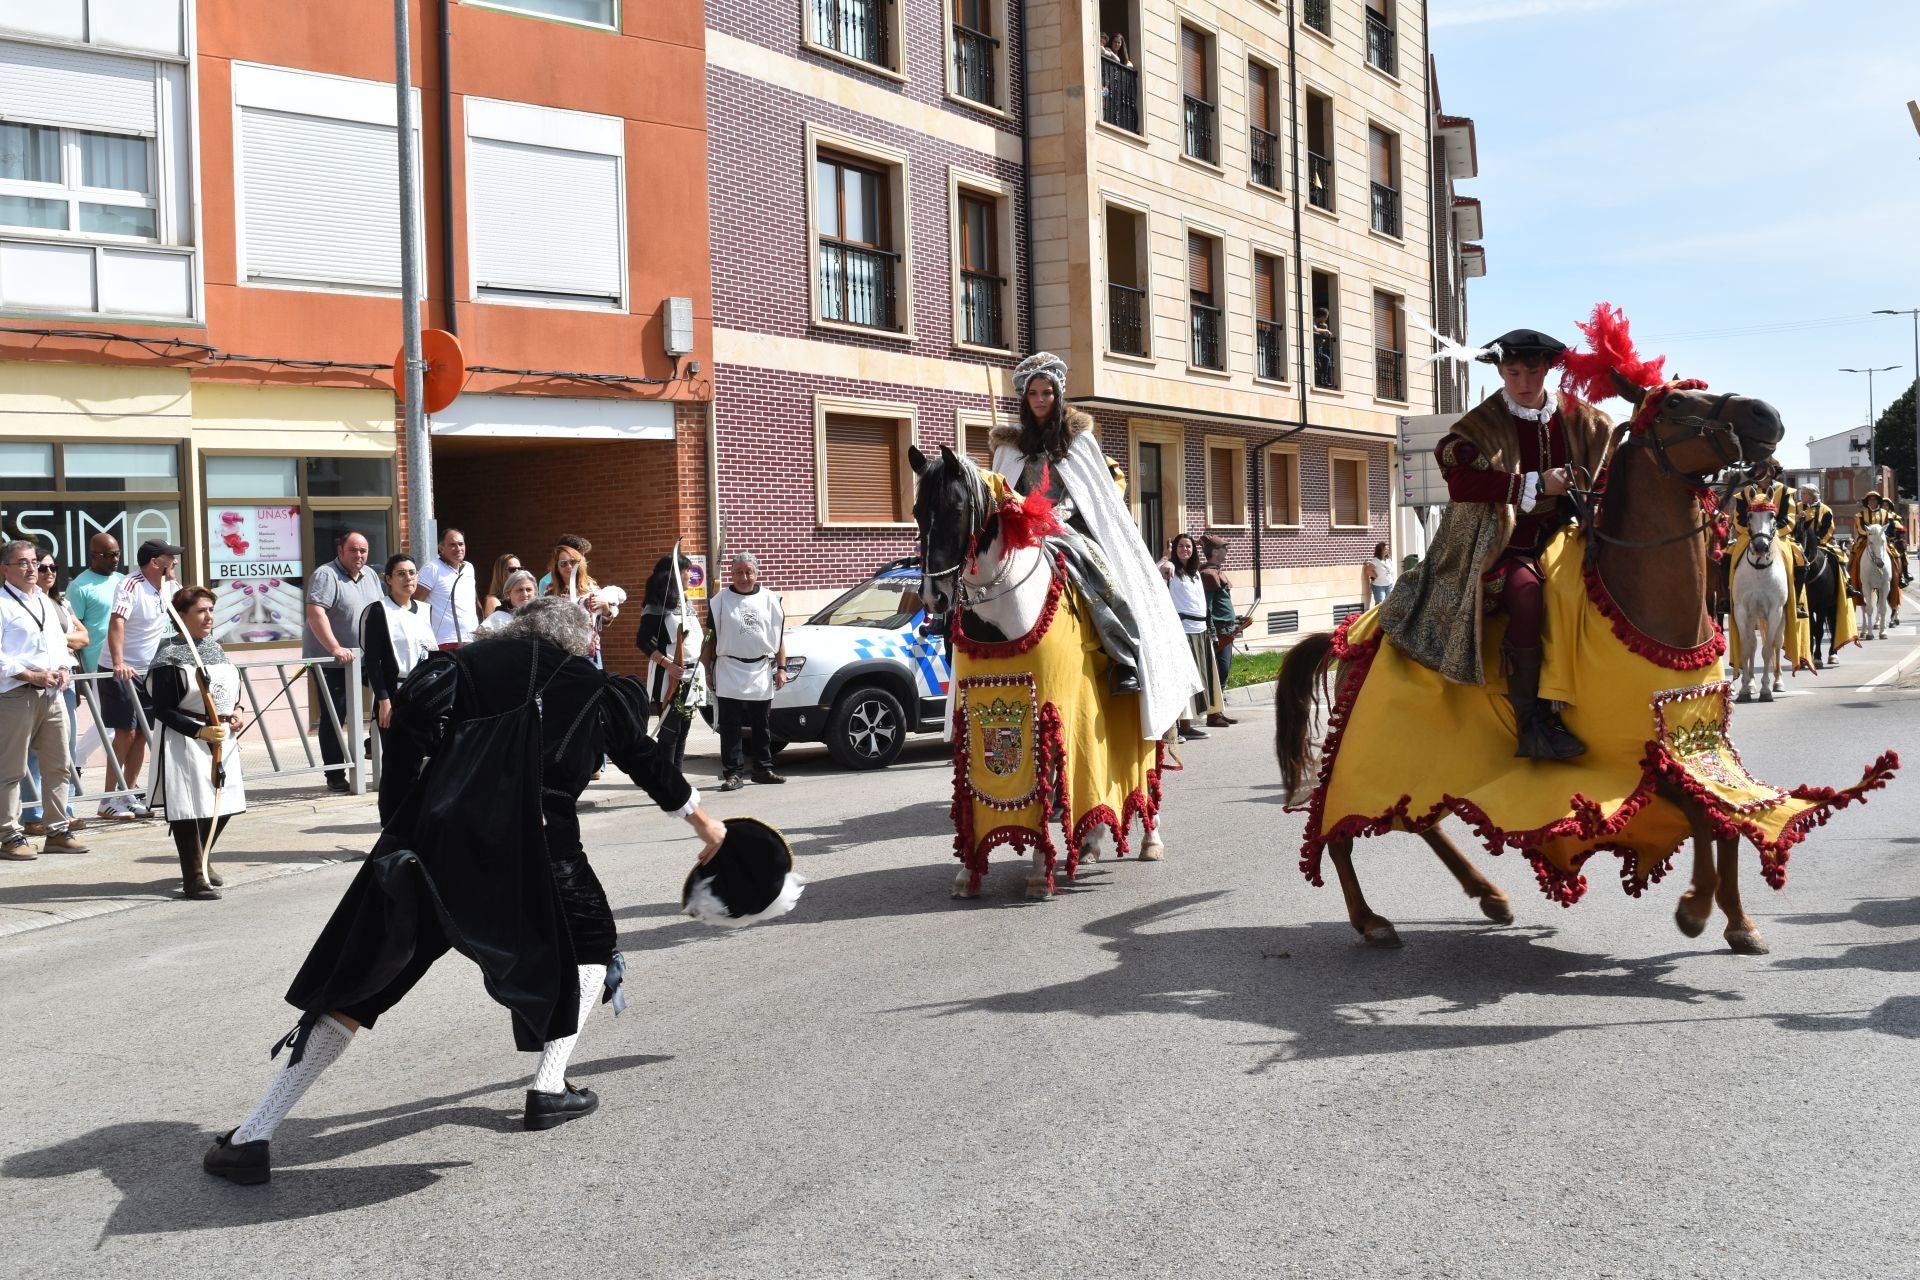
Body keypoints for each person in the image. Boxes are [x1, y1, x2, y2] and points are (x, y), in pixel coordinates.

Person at [202, 599, 729, 1185]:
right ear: (577, 640)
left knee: (366, 983)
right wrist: (705, 824)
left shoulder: (461, 665)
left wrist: (402, 820)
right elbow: (645, 759)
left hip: (438, 847)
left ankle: (253, 1135)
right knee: (591, 948)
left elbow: (403, 734)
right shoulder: (594, 685)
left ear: (525, 624)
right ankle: (548, 1086)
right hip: (543, 852)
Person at [1377, 328, 1614, 761]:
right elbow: (1462, 481)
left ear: (1549, 369)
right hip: (1504, 543)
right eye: (1514, 372)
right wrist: (1534, 483)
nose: (1524, 382)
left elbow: (1607, 468)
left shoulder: (1582, 419)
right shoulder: (1479, 426)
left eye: (1534, 371)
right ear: (1501, 371)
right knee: (1527, 595)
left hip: (1570, 535)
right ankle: (1533, 724)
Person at [988, 351, 1200, 740]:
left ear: (1058, 395)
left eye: (1047, 392)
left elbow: (1089, 494)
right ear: (1024, 398)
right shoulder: (1007, 449)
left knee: (1099, 573)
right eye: (1033, 393)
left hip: (1070, 526)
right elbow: (1003, 491)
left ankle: (1124, 658)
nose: (1040, 399)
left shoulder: (1078, 442)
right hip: (1021, 529)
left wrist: (1059, 516)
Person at [149, 587, 246, 900]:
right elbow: (161, 708)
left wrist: (237, 712)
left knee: (224, 804)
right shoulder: (168, 656)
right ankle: (193, 877)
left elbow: (232, 690)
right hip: (185, 739)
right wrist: (198, 731)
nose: (209, 617)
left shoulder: (215, 648)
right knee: (189, 809)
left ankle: (201, 860)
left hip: (221, 738)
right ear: (182, 617)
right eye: (201, 611)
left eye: (211, 610)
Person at [0, 541, 89, 861]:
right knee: (11, 769)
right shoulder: (2, 603)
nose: (31, 568)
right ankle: (9, 834)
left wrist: (64, 668)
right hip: (15, 694)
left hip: (52, 693)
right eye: (22, 563)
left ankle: (57, 830)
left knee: (59, 764)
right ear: (5, 569)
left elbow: (58, 645)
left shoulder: (46, 602)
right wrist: (29, 674)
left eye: (34, 562)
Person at [101, 539, 183, 818]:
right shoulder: (130, 584)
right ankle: (108, 798)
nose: (174, 560)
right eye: (170, 557)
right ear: (153, 561)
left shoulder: (165, 586)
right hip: (122, 670)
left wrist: (171, 578)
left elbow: (185, 605)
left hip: (148, 671)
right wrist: (118, 662)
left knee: (141, 736)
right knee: (126, 731)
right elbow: (117, 622)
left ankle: (129, 792)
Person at [358, 554, 438, 825]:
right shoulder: (379, 611)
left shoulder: (424, 610)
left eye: (412, 573)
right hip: (396, 696)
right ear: (389, 579)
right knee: (396, 766)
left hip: (424, 695)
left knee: (424, 761)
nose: (408, 579)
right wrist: (383, 699)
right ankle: (391, 824)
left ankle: (417, 818)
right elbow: (373, 660)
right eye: (401, 573)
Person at [303, 531, 385, 794]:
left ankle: (372, 746)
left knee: (387, 697)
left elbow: (379, 612)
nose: (359, 555)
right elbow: (316, 614)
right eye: (353, 550)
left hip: (365, 656)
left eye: (363, 550)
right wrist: (334, 647)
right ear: (340, 551)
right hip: (332, 661)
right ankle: (336, 774)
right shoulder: (326, 575)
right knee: (335, 716)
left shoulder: (371, 575)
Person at [21, 552, 87, 836]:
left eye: (53, 567)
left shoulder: (60, 602)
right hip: (30, 685)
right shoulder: (18, 603)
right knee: (32, 755)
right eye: (42, 566)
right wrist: (62, 639)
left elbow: (84, 638)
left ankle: (64, 810)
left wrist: (56, 638)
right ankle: (33, 813)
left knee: (65, 751)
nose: (48, 572)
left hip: (64, 682)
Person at [709, 552, 786, 792]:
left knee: (761, 723)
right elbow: (710, 638)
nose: (744, 577)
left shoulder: (770, 599)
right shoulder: (719, 601)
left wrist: (781, 667)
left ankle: (763, 768)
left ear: (756, 573)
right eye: (739, 572)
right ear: (731, 574)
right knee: (730, 725)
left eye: (748, 571)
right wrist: (707, 668)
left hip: (760, 668)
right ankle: (733, 772)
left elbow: (779, 637)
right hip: (728, 667)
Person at [65, 533, 122, 797]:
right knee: (109, 725)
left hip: (125, 663)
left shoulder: (123, 582)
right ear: (93, 555)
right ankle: (75, 764)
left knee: (111, 724)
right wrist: (77, 673)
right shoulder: (80, 587)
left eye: (117, 554)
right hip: (96, 666)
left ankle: (75, 762)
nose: (115, 559)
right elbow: (71, 631)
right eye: (108, 555)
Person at [635, 553, 704, 770]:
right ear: (673, 574)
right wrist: (668, 664)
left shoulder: (685, 602)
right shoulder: (656, 606)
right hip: (668, 676)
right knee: (669, 732)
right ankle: (666, 779)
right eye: (686, 570)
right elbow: (643, 642)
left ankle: (677, 776)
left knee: (683, 730)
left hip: (691, 676)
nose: (689, 575)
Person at [1161, 534, 1222, 741]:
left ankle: (1187, 725)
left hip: (1200, 630)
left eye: (1188, 546)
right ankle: (1175, 727)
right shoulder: (1170, 571)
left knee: (1197, 679)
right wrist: (1165, 559)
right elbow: (1156, 572)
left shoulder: (1195, 574)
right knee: (1183, 679)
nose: (1185, 550)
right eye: (1180, 546)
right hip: (1182, 631)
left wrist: (1210, 630)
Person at [1731, 459, 1806, 620]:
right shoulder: (1745, 492)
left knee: (1800, 558)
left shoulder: (1785, 491)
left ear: (1773, 472)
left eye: (1766, 470)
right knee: (1727, 555)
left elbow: (1789, 518)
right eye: (1758, 469)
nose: (1762, 473)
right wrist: (1753, 532)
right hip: (1749, 535)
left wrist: (1771, 534)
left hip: (1778, 535)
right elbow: (1738, 519)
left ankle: (1797, 602)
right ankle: (1726, 598)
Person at [1199, 534, 1240, 727]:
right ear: (1215, 551)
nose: (1227, 550)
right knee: (1219, 671)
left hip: (1227, 629)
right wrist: (1213, 633)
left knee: (1223, 671)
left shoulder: (1216, 571)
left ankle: (1218, 712)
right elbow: (1207, 607)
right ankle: (1213, 714)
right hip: (1219, 631)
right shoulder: (1208, 574)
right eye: (1224, 548)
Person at [415, 527, 477, 649]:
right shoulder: (432, 568)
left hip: (472, 639)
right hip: (445, 641)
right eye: (452, 545)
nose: (458, 548)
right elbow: (416, 603)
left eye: (461, 544)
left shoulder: (469, 568)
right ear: (441, 548)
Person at [476, 569, 537, 636]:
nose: (525, 594)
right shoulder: (496, 620)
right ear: (508, 594)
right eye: (519, 590)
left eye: (529, 590)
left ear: (535, 593)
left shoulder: (544, 616)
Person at [478, 552, 523, 623]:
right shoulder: (493, 600)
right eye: (512, 570)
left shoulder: (520, 595)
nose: (518, 573)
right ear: (501, 573)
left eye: (520, 569)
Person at [1365, 540, 1396, 605]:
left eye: (1387, 549)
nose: (1387, 550)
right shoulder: (1375, 560)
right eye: (1385, 549)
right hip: (1379, 586)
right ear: (1380, 550)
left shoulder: (1388, 560)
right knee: (1380, 604)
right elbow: (1367, 571)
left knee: (1388, 604)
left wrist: (1392, 579)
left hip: (1389, 585)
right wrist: (1375, 576)